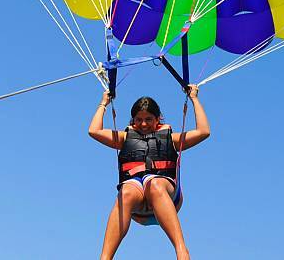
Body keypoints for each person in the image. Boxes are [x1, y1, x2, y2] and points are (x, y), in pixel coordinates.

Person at [88, 86, 210, 260]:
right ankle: (105, 258)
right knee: (127, 191)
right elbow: (94, 131)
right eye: (139, 119)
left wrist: (194, 99)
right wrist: (104, 103)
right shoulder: (124, 138)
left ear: (158, 119)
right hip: (137, 206)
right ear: (133, 120)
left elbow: (204, 132)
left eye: (148, 119)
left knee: (153, 183)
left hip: (166, 196)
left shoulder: (171, 139)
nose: (143, 124)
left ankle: (182, 252)